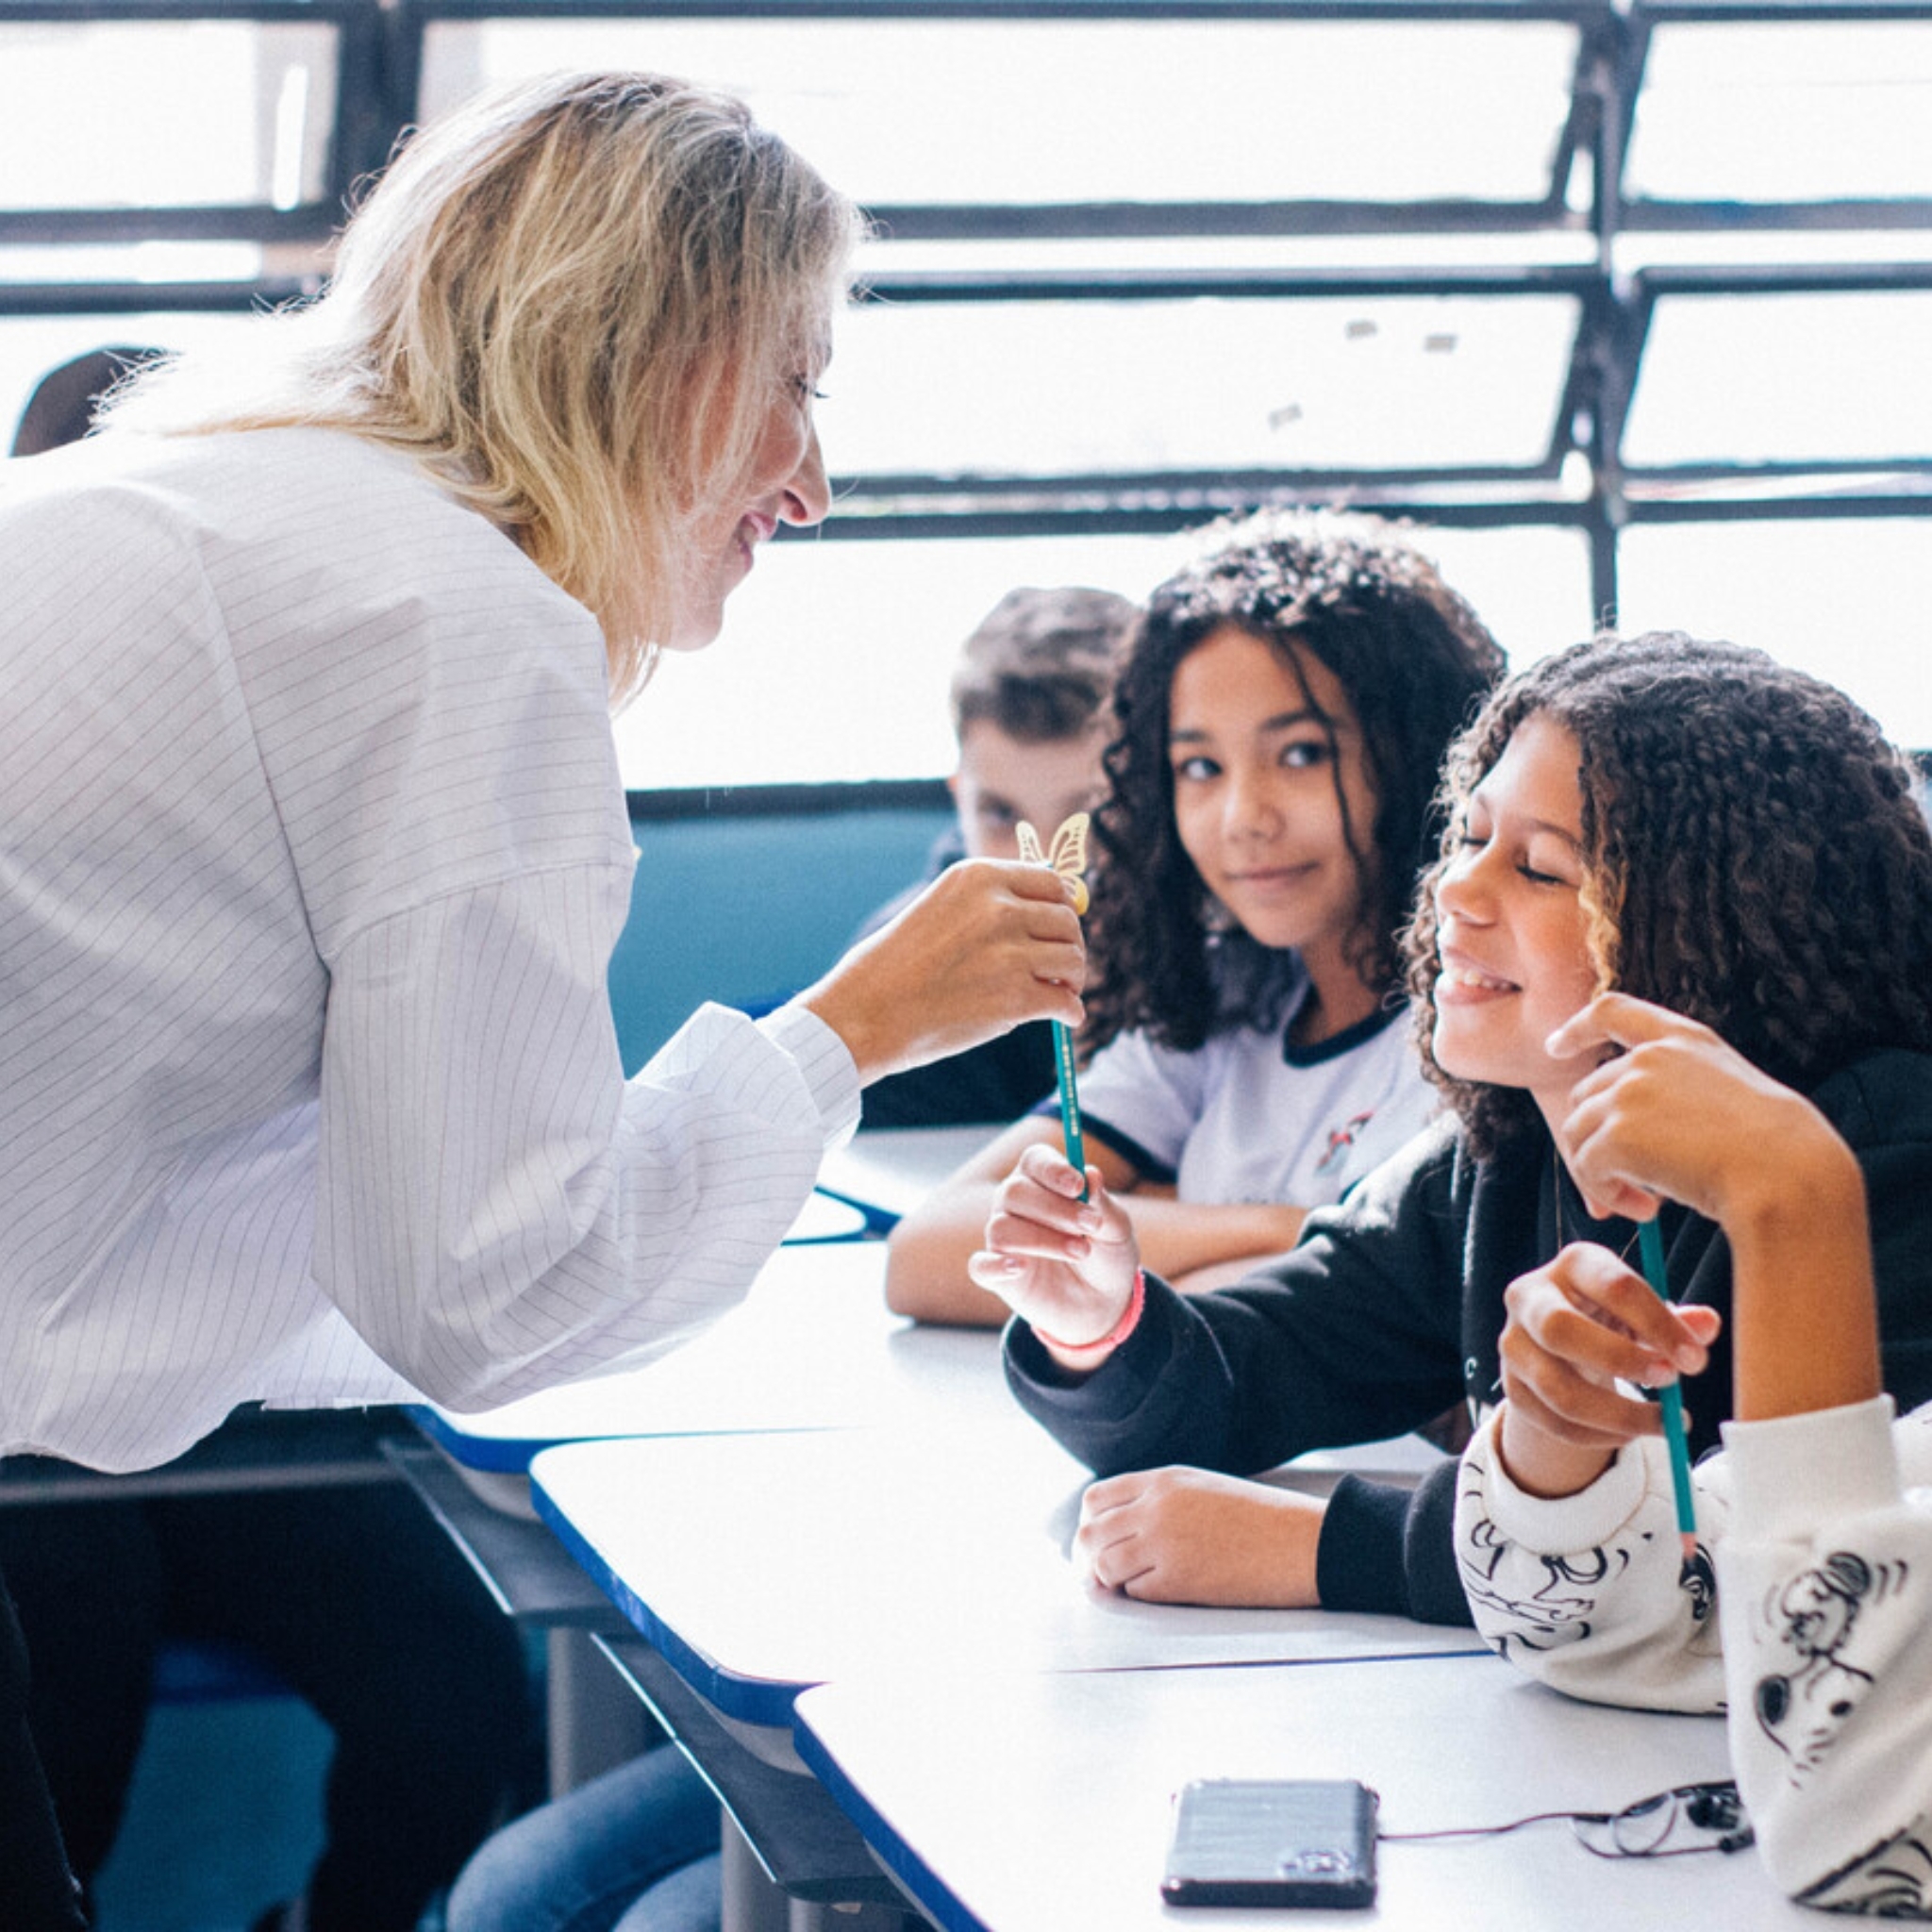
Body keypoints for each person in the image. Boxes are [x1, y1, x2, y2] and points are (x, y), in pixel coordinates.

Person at [0, 72, 1083, 1930]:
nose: (810, 482)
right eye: (796, 383)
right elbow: (484, 1293)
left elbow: (347, 1238)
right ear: (656, 348)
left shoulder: (201, 505)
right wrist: (850, 1030)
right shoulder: (454, 623)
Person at [974, 633, 1932, 1628]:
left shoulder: (1871, 1161)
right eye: (1470, 839)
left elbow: (1782, 1585)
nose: (1454, 891)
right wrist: (1099, 1324)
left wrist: (1330, 1546)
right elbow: (1246, 1374)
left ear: (1716, 921)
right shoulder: (1499, 1154)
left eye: (1539, 869)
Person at [0, 345, 540, 1932]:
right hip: (38, 1435)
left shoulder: (317, 771)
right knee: (65, 1732)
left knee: (460, 1683)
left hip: (251, 1414)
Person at [886, 508, 1505, 1323]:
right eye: (1201, 767)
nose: (1244, 818)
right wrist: (1298, 1229)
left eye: (1301, 754)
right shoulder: (1219, 1006)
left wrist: (1141, 1222)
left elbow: (1388, 1308)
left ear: (1418, 753)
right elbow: (931, 1250)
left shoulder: (1473, 1029)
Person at [1452, 1005, 1932, 1914]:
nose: (1452, 922)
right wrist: (1559, 1450)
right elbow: (1681, 1584)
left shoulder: (1882, 1136)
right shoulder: (1493, 1163)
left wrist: (1793, 1204)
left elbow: (1859, 1831)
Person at [858, 583, 1138, 1128]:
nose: (1047, 867)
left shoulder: (1227, 947)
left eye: (1091, 814)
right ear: (959, 796)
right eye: (1003, 815)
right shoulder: (901, 980)